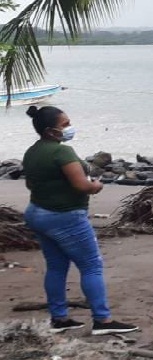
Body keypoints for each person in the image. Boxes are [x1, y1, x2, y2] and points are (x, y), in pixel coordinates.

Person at [22, 106, 138, 335]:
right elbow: (81, 185)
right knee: (91, 266)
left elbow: (30, 184)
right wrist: (97, 185)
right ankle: (102, 321)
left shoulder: (32, 152)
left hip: (37, 212)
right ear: (50, 131)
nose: (69, 128)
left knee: (56, 266)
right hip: (65, 216)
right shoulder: (62, 152)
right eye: (65, 125)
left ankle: (59, 318)